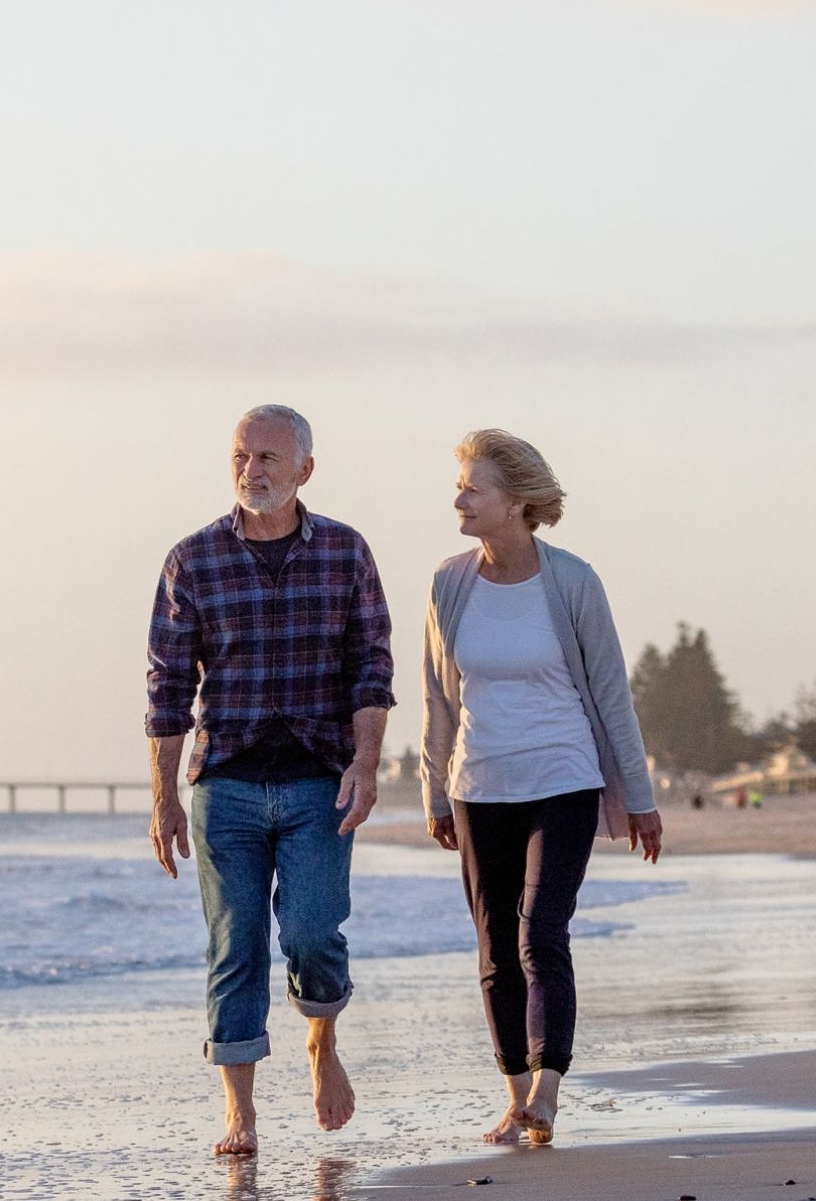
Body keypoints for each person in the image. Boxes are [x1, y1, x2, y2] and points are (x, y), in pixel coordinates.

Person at [146, 404, 396, 1156]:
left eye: (267, 459)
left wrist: (366, 761)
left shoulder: (347, 554)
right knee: (236, 946)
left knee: (315, 936)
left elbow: (372, 666)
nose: (251, 469)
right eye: (241, 456)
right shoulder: (192, 560)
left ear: (303, 471)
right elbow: (164, 689)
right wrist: (164, 801)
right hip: (225, 784)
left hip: (321, 781)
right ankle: (241, 1115)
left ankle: (322, 1042)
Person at [419, 429, 662, 1147]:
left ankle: (548, 1090)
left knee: (540, 932)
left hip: (563, 775)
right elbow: (438, 699)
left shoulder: (573, 581)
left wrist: (640, 797)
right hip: (479, 783)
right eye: (459, 484)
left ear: (517, 502)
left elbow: (612, 693)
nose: (458, 498)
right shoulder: (448, 582)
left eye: (472, 487)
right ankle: (515, 1095)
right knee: (494, 945)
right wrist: (436, 795)